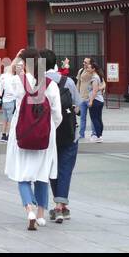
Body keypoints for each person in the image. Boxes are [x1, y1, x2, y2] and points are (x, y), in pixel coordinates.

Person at [6, 49, 61, 231]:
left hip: (22, 132)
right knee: (42, 174)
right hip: (45, 135)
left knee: (23, 175)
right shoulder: (51, 84)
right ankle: (40, 215)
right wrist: (47, 128)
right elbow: (57, 114)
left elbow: (6, 77)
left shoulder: (17, 81)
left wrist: (16, 61)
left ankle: (28, 209)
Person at [46, 52, 80, 223]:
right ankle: (60, 205)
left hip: (47, 133)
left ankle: (59, 205)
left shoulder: (36, 82)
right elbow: (78, 106)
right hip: (68, 131)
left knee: (52, 168)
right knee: (65, 168)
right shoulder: (68, 81)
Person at [0, 56, 23, 141]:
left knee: (4, 119)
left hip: (4, 101)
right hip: (11, 101)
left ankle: (3, 135)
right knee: (11, 120)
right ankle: (9, 135)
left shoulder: (1, 78)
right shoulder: (12, 78)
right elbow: (15, 92)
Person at [85, 61, 106, 141]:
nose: (87, 69)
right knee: (98, 118)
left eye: (89, 68)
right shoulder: (99, 76)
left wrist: (91, 101)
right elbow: (103, 85)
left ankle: (98, 136)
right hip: (100, 99)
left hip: (95, 100)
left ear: (93, 69)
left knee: (94, 118)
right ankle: (100, 135)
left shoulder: (94, 78)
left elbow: (94, 90)